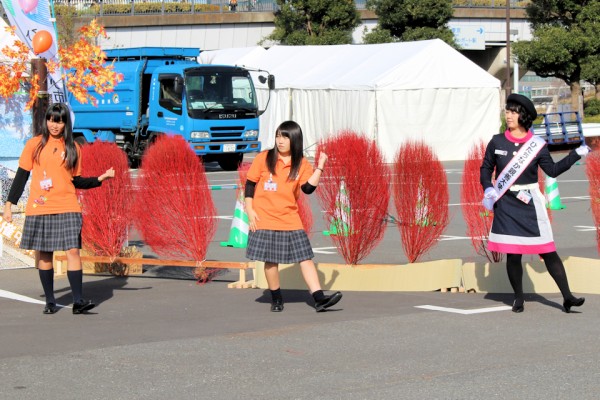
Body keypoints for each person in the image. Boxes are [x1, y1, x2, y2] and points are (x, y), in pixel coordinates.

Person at [480, 93, 590, 313]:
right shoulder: (497, 141)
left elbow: (553, 170)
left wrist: (575, 154)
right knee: (513, 253)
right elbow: (485, 169)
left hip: (530, 203)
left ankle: (567, 297)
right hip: (506, 203)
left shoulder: (537, 145)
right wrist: (489, 188)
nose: (508, 115)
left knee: (548, 250)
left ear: (524, 116)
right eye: (507, 111)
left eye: (513, 111)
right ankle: (518, 298)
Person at [2, 103, 115, 315]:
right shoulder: (34, 144)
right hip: (41, 207)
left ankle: (78, 301)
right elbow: (22, 175)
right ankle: (50, 301)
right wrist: (9, 204)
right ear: (46, 121)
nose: (55, 125)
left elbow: (77, 181)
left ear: (66, 123)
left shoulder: (73, 148)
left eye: (60, 120)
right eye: (52, 120)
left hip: (68, 205)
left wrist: (101, 178)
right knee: (44, 254)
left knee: (73, 250)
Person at [244, 120, 342, 312]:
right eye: (278, 135)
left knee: (305, 257)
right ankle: (276, 298)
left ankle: (319, 298)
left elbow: (308, 189)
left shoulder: (302, 164)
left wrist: (320, 167)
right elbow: (250, 184)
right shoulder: (264, 158)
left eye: (285, 136)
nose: (280, 140)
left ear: (294, 139)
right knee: (271, 260)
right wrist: (250, 210)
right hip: (264, 217)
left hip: (290, 218)